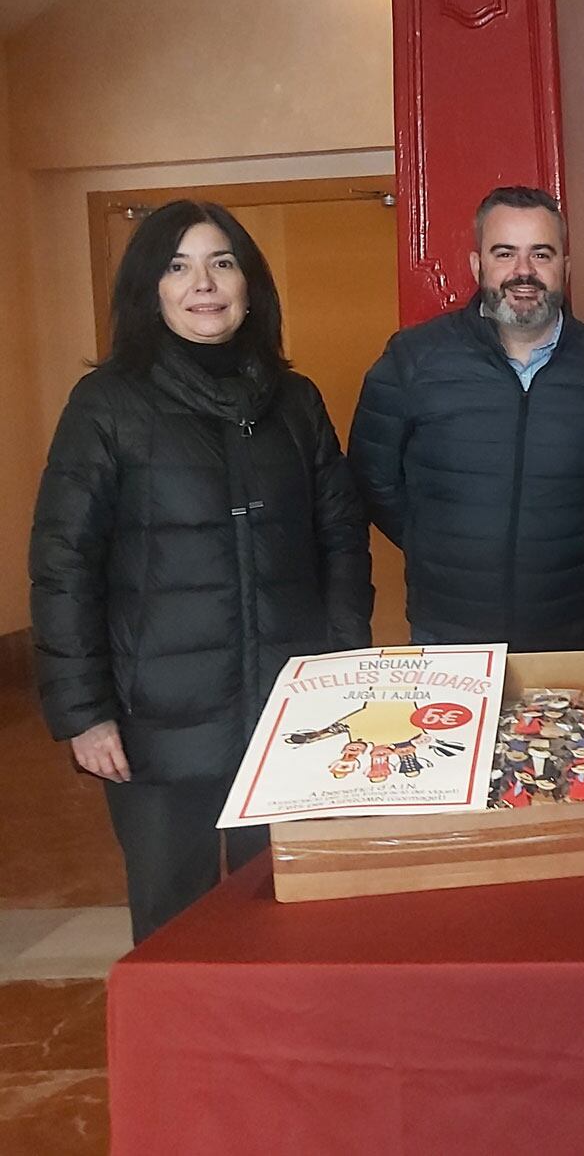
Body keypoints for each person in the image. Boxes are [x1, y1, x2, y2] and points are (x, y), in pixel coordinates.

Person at [30, 200, 371, 941]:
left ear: (250, 284)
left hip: (293, 717)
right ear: (149, 289)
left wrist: (343, 668)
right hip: (158, 724)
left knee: (288, 917)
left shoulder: (294, 400)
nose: (204, 284)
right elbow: (63, 565)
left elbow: (341, 538)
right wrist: (83, 713)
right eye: (178, 266)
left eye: (222, 263)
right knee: (173, 926)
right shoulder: (108, 404)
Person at [348, 186, 584, 650]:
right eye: (505, 253)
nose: (523, 271)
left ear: (565, 266)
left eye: (541, 254)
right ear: (476, 264)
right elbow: (371, 477)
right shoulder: (413, 358)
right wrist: (432, 543)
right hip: (448, 632)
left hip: (573, 631)